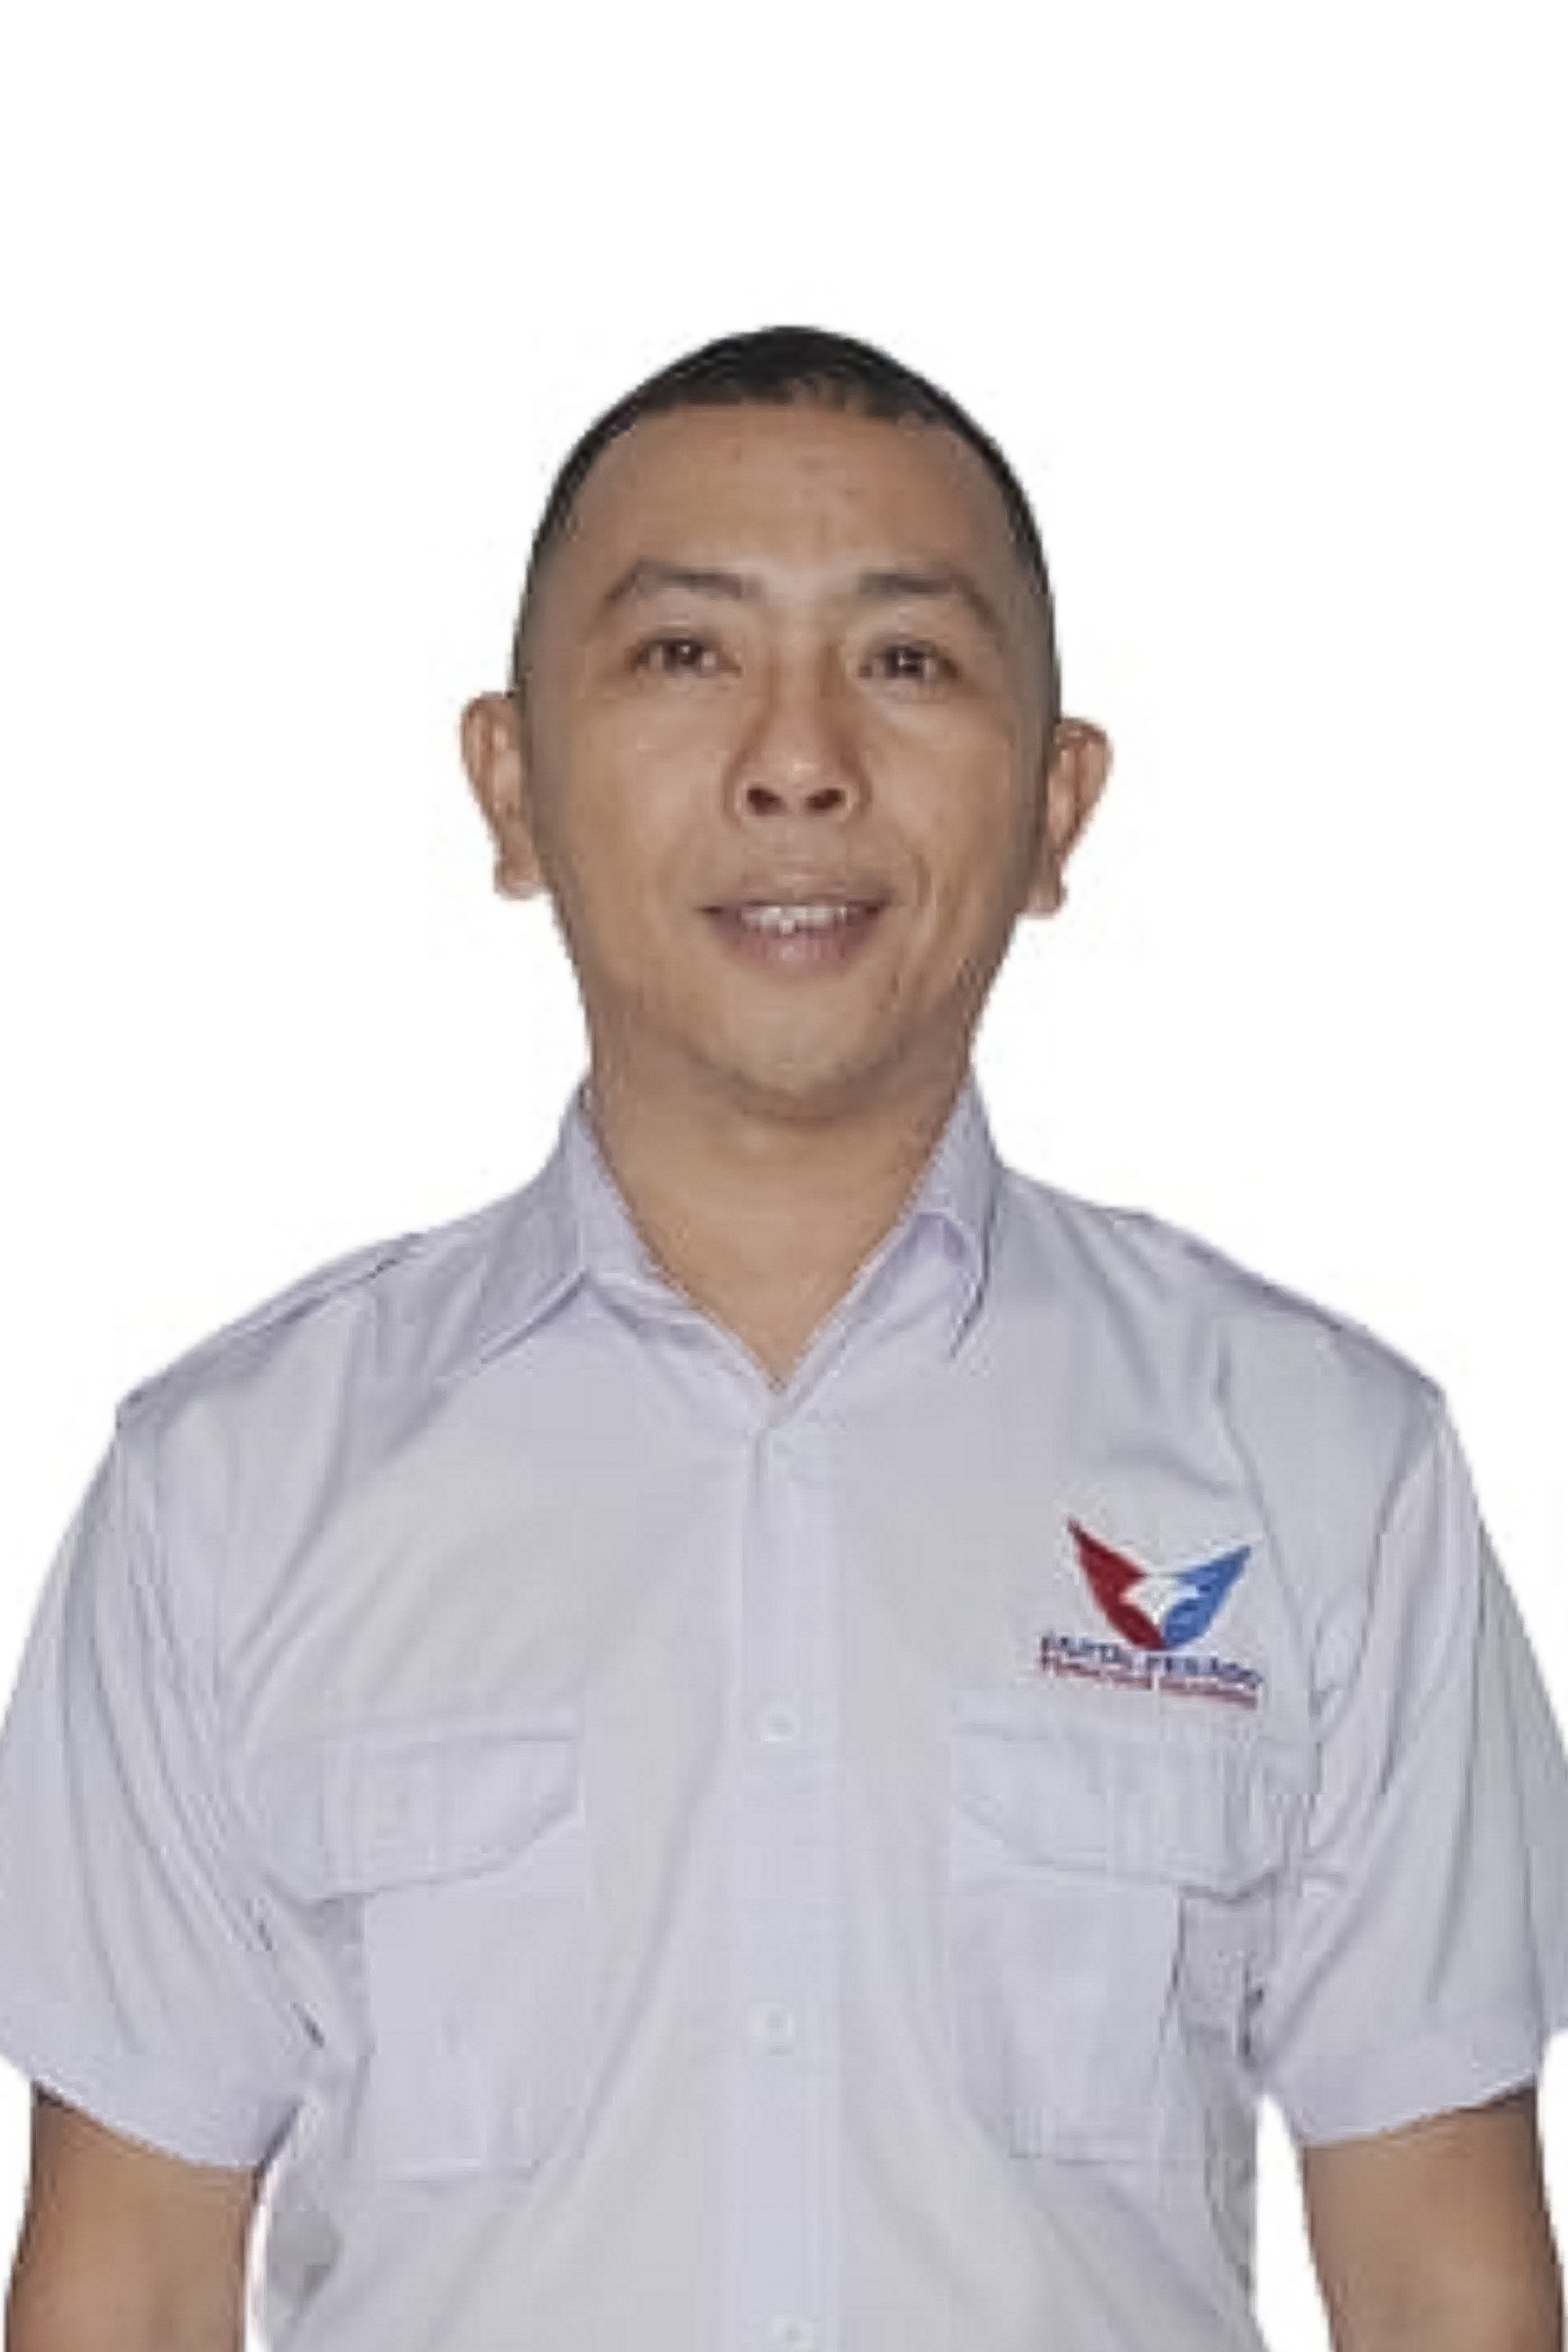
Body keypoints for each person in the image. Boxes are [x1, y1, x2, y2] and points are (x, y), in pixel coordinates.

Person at [0, 325, 1563, 2352]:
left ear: (1059, 804)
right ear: (509, 785)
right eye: (684, 653)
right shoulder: (230, 1489)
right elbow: (122, 2289)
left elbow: (1448, 2283)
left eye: (906, 659)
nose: (799, 760)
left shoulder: (1325, 1467)